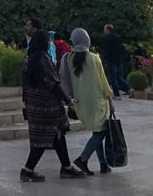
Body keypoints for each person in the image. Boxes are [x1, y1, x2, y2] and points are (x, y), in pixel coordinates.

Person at [20, 30, 84, 182]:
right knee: (44, 138)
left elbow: (24, 84)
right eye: (48, 40)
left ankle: (66, 167)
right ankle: (27, 170)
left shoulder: (27, 59)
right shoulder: (43, 58)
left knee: (57, 135)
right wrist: (68, 100)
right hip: (48, 105)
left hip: (33, 104)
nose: (50, 43)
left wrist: (25, 105)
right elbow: (54, 83)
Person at [60, 28, 114, 175]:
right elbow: (103, 81)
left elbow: (64, 81)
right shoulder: (94, 58)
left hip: (80, 103)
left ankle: (103, 164)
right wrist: (110, 100)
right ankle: (83, 159)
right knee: (101, 132)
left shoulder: (67, 58)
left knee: (96, 131)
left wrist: (69, 100)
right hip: (97, 102)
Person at [100, 24, 130, 99]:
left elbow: (108, 50)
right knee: (118, 77)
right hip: (118, 60)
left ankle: (116, 94)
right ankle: (127, 88)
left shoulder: (108, 39)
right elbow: (122, 48)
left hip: (111, 60)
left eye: (105, 29)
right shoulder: (117, 37)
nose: (104, 31)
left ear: (108, 30)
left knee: (113, 77)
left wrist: (105, 56)